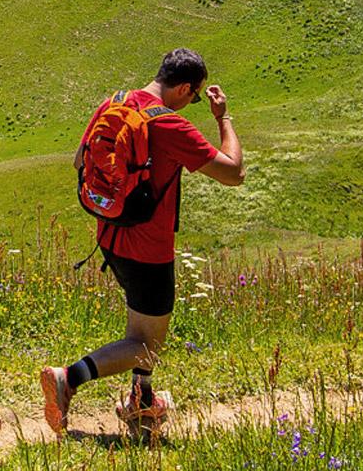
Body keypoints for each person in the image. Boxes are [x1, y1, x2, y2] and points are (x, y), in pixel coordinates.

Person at [40, 48, 245, 436]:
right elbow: (233, 173)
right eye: (194, 96)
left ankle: (142, 401)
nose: (192, 104)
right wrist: (224, 118)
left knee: (143, 323)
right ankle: (68, 378)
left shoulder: (114, 103)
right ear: (184, 87)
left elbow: (79, 161)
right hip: (148, 249)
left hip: (110, 237)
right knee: (146, 342)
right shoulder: (170, 126)